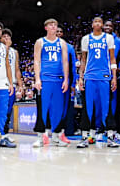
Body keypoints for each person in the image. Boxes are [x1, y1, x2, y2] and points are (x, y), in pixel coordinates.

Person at [77, 17, 118, 148]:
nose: (97, 23)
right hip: (89, 76)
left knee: (106, 106)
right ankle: (85, 136)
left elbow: (112, 59)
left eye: (100, 22)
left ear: (102, 25)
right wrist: (80, 77)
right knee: (88, 107)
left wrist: (114, 77)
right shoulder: (86, 39)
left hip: (104, 75)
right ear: (92, 24)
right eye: (95, 21)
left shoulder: (108, 38)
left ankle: (110, 136)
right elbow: (83, 60)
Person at [32, 18, 70, 147]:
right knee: (42, 109)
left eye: (55, 25)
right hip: (45, 79)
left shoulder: (62, 43)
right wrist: (37, 79)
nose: (53, 27)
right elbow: (36, 61)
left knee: (58, 109)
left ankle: (56, 136)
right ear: (46, 28)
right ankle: (40, 137)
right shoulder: (40, 42)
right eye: (50, 25)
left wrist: (66, 79)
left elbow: (65, 62)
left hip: (58, 79)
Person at [105, 20, 120, 140]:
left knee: (117, 104)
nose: (108, 27)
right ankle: (104, 129)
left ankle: (118, 130)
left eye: (110, 26)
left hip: (115, 77)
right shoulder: (99, 41)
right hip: (103, 77)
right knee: (104, 104)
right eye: (106, 25)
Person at [55, 26, 78, 139]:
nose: (58, 33)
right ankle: (54, 130)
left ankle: (64, 131)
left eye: (60, 31)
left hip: (65, 82)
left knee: (65, 107)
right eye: (57, 31)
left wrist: (73, 83)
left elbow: (73, 66)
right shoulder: (48, 46)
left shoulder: (69, 48)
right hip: (53, 81)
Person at [2, 28, 23, 135]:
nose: (6, 38)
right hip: (0, 84)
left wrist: (21, 85)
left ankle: (4, 131)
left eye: (8, 37)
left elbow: (17, 69)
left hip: (12, 84)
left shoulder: (15, 52)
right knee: (1, 109)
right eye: (4, 37)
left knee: (9, 109)